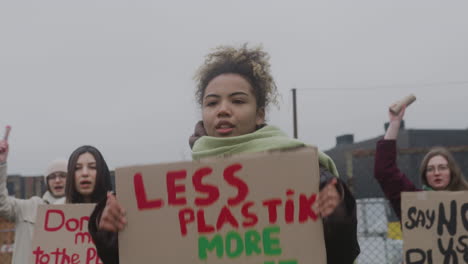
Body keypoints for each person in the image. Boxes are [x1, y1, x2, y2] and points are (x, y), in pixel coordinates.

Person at [89, 44, 360, 264]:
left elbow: (341, 255)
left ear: (260, 113)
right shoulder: (176, 189)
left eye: (238, 101)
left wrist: (336, 217)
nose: (223, 110)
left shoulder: (307, 175)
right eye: (212, 102)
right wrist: (109, 232)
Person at [374, 105, 468, 220]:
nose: (436, 173)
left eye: (442, 167)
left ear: (452, 172)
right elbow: (385, 172)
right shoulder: (413, 203)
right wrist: (394, 124)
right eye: (430, 169)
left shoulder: (465, 200)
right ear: (425, 175)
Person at [0, 128, 68, 264]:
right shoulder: (29, 207)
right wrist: (1, 164)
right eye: (52, 177)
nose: (57, 180)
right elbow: (2, 203)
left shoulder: (78, 212)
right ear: (47, 182)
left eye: (63, 176)